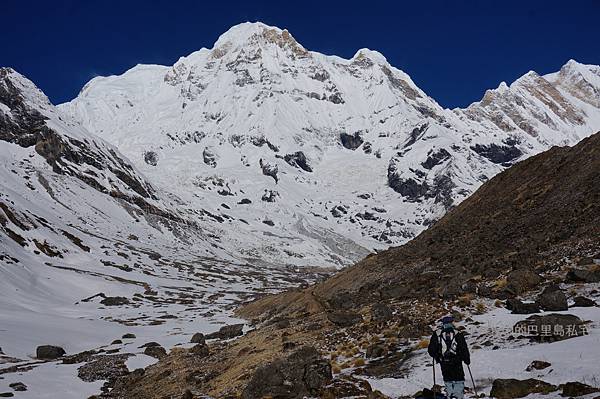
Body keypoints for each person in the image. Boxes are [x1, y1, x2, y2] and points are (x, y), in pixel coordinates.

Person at [427, 315, 471, 399]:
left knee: (448, 380)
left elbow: (431, 350)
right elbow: (463, 348)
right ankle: (458, 396)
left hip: (444, 362)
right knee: (459, 380)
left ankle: (450, 395)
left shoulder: (437, 334)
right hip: (457, 362)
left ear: (443, 323)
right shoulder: (458, 334)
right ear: (451, 322)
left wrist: (437, 357)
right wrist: (466, 360)